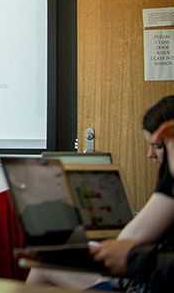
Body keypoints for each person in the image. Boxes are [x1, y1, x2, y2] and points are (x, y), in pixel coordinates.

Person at [27, 96, 174, 292]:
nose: (150, 154)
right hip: (145, 276)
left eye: (157, 146)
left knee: (43, 264)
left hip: (142, 284)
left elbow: (130, 239)